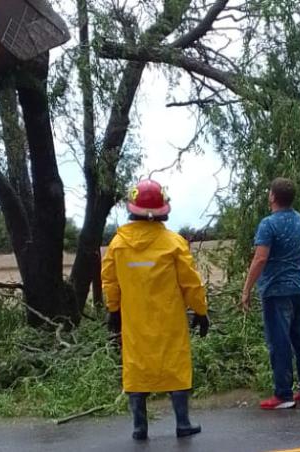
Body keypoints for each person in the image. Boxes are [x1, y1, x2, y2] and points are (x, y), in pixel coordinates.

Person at [102, 179, 210, 440]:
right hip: (169, 320)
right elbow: (190, 282)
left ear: (132, 208)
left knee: (136, 368)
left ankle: (140, 428)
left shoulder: (118, 244)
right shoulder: (174, 243)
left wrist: (114, 311)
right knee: (175, 365)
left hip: (135, 321)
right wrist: (201, 311)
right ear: (163, 209)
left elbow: (110, 281)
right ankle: (182, 423)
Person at [241, 177, 300, 410]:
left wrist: (246, 290)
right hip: (299, 286)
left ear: (273, 197)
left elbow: (260, 258)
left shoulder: (268, 224)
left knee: (279, 341)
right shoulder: (299, 220)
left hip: (276, 289)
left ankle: (283, 394)